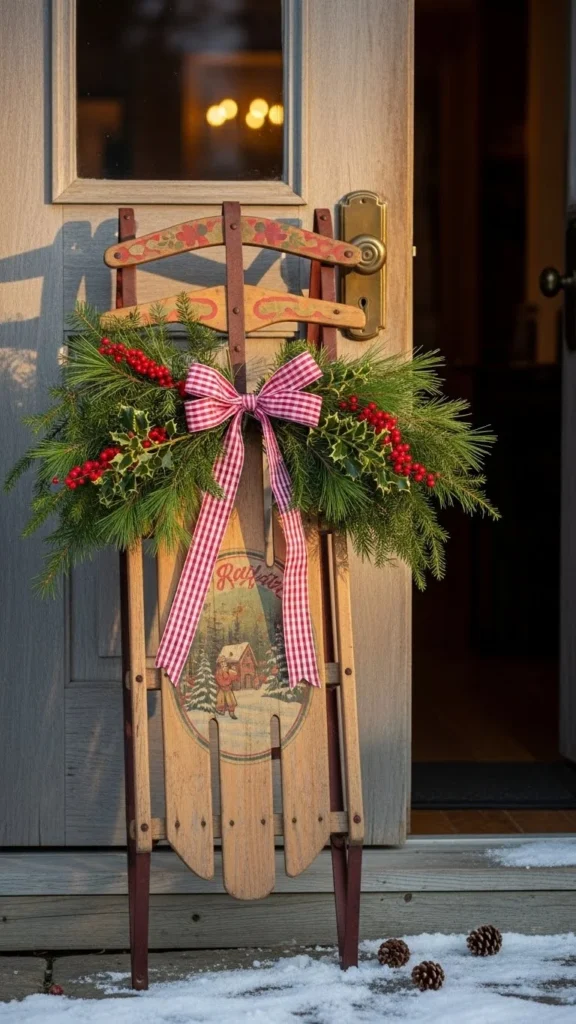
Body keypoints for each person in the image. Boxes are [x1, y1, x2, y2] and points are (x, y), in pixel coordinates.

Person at [215, 654, 238, 719]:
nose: (223, 664)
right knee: (221, 701)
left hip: (228, 689)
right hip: (222, 689)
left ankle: (232, 713)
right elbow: (219, 680)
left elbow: (233, 677)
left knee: (230, 701)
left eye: (224, 662)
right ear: (220, 664)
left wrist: (234, 671)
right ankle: (222, 711)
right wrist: (225, 682)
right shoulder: (219, 672)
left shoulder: (228, 670)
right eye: (221, 663)